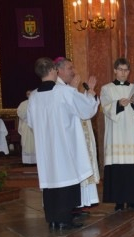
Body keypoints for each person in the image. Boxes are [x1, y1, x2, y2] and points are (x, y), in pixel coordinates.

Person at [26, 57, 99, 229]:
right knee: (67, 179)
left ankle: (53, 220)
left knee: (50, 182)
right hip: (65, 146)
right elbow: (86, 110)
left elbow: (31, 122)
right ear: (53, 70)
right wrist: (91, 94)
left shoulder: (34, 96)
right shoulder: (64, 92)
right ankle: (65, 219)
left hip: (46, 149)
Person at [100, 57, 134, 212]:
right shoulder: (106, 89)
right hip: (116, 132)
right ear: (115, 70)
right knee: (118, 166)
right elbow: (105, 107)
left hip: (132, 132)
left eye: (126, 70)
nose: (123, 73)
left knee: (133, 166)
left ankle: (133, 200)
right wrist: (118, 104)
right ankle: (119, 201)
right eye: (120, 70)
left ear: (129, 72)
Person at [54, 57, 100, 212]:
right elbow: (82, 110)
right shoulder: (59, 89)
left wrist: (88, 93)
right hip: (66, 140)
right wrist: (80, 91)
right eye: (70, 68)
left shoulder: (67, 88)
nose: (73, 72)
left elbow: (82, 109)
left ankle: (78, 204)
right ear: (59, 70)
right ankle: (71, 207)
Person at [16, 90, 36, 164]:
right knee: (26, 141)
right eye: (28, 94)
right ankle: (27, 161)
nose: (29, 95)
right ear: (26, 95)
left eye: (30, 93)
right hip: (26, 126)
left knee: (35, 142)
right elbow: (19, 112)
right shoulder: (23, 103)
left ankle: (35, 160)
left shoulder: (37, 102)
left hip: (35, 125)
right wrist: (27, 119)